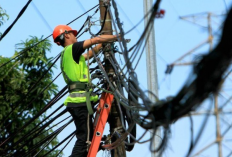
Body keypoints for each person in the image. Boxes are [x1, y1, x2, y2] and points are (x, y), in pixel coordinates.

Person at [52, 25, 118, 157]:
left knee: (88, 137)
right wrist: (116, 37)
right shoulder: (72, 48)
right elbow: (93, 40)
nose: (76, 37)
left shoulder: (69, 54)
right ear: (66, 35)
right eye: (73, 34)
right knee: (84, 140)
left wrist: (103, 43)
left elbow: (89, 54)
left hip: (79, 103)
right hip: (80, 102)